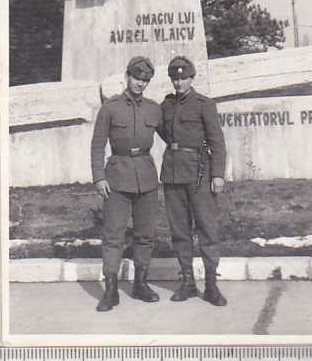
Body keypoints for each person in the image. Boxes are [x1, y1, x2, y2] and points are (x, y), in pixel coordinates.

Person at [91, 56, 162, 311]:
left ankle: (140, 284)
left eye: (145, 80)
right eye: (137, 78)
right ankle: (110, 291)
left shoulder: (154, 109)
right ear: (127, 76)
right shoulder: (110, 108)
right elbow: (97, 144)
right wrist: (99, 177)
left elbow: (173, 134)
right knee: (113, 236)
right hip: (117, 178)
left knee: (145, 236)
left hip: (146, 177)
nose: (140, 83)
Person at [158, 55, 228, 306]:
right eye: (175, 79)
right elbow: (163, 133)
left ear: (192, 78)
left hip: (199, 173)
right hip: (172, 172)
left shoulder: (204, 105)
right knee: (179, 231)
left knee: (207, 229)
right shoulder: (165, 105)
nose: (179, 83)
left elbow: (217, 142)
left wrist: (217, 174)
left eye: (184, 78)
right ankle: (188, 282)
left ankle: (211, 285)